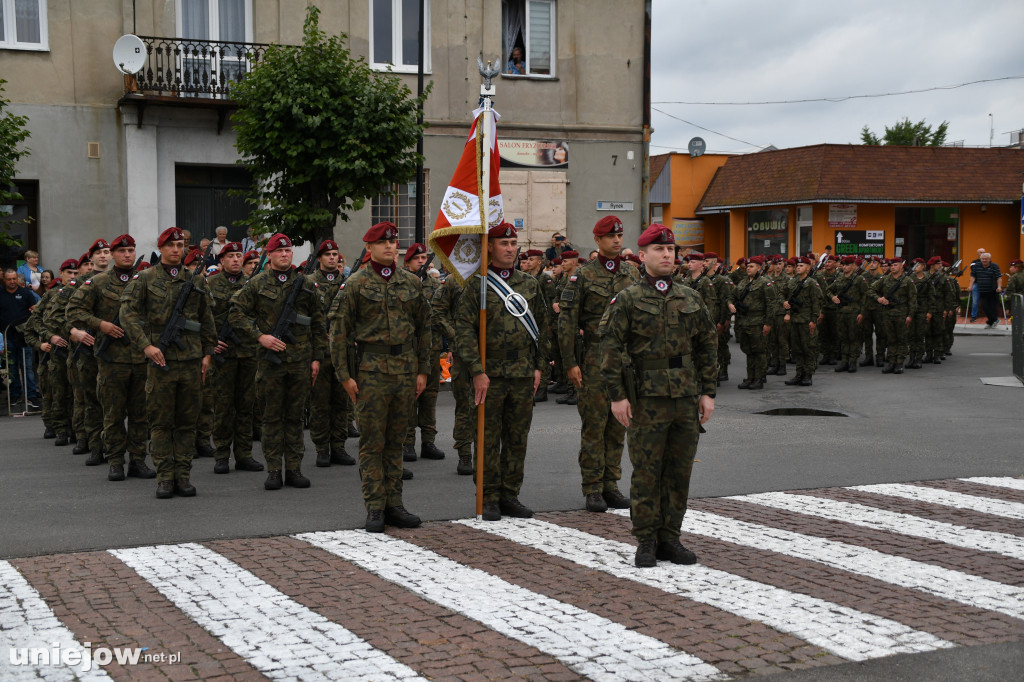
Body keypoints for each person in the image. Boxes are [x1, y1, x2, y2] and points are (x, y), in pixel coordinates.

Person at [599, 223, 717, 568]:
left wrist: (707, 392)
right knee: (647, 471)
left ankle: (671, 538)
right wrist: (617, 395)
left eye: (671, 250)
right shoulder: (628, 298)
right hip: (645, 398)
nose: (667, 255)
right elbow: (609, 347)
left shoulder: (690, 296)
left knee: (679, 471)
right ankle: (646, 540)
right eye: (660, 250)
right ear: (643, 256)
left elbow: (707, 345)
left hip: (683, 397)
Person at [329, 222, 429, 532]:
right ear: (369, 247)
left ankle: (394, 505)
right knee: (372, 443)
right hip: (371, 371)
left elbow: (424, 329)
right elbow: (338, 334)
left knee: (396, 442)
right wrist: (344, 376)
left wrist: (424, 371)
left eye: (393, 241)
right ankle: (375, 507)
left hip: (404, 370)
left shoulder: (411, 282)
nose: (390, 246)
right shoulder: (355, 284)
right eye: (382, 242)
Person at [455, 222, 549, 521]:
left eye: (513, 243)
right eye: (503, 243)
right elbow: (464, 332)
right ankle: (489, 496)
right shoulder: (477, 285)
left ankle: (510, 494)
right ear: (490, 247)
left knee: (516, 437)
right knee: (486, 437)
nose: (510, 248)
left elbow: (542, 330)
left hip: (522, 372)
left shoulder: (530, 285)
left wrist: (538, 367)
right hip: (489, 373)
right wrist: (476, 370)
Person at [120, 227, 217, 498]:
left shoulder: (195, 280)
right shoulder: (145, 279)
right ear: (161, 248)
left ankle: (183, 476)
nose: (176, 249)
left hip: (190, 361)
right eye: (170, 245)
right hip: (161, 362)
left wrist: (208, 354)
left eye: (180, 245)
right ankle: (164, 477)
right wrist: (146, 346)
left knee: (187, 422)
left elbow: (206, 320)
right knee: (161, 423)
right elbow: (127, 314)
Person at [558, 215, 640, 513]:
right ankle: (592, 488)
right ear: (598, 240)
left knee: (619, 426)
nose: (617, 241)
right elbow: (567, 322)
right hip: (593, 359)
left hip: (625, 361)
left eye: (619, 236)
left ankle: (611, 484)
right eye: (610, 237)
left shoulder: (632, 273)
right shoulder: (582, 277)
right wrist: (569, 363)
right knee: (594, 426)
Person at [230, 233, 325, 491]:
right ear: (269, 256)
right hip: (271, 363)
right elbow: (235, 313)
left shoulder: (305, 284)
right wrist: (260, 337)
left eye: (288, 251)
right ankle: (274, 470)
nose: (285, 254)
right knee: (271, 418)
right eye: (279, 251)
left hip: (300, 362)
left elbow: (318, 322)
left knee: (295, 417)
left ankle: (293, 468)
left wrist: (317, 358)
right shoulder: (257, 284)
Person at [66, 234, 156, 481]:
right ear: (113, 254)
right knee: (113, 414)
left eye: (131, 250)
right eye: (122, 251)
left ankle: (138, 460)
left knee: (140, 414)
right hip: (111, 361)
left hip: (141, 357)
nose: (127, 255)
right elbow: (73, 310)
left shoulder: (146, 280)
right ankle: (116, 461)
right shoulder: (97, 282)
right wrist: (101, 324)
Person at [207, 241, 265, 475]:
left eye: (239, 255)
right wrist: (210, 341)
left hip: (248, 351)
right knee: (223, 406)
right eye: (230, 256)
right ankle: (221, 454)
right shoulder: (210, 283)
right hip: (223, 354)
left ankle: (244, 454)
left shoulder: (252, 284)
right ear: (221, 261)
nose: (235, 260)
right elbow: (203, 316)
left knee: (246, 406)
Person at [308, 239, 355, 469]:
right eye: (327, 255)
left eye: (335, 254)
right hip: (318, 352)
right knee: (319, 403)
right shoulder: (308, 283)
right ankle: (322, 448)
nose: (332, 258)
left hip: (342, 352)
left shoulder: (348, 283)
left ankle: (338, 446)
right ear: (319, 259)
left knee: (341, 403)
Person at [402, 243, 446, 462]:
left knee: (429, 397)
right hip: (408, 350)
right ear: (407, 262)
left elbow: (442, 314)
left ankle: (428, 441)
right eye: (417, 258)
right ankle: (407, 443)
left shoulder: (436, 284)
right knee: (409, 397)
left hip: (432, 348)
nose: (421, 261)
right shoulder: (401, 284)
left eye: (424, 258)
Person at [728, 255, 776, 389]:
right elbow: (732, 295)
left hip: (758, 322)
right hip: (744, 322)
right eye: (747, 266)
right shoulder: (743, 282)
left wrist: (768, 324)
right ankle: (750, 377)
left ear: (759, 268)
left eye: (751, 266)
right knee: (748, 351)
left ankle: (759, 378)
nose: (748, 268)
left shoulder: (765, 283)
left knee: (759, 351)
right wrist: (730, 304)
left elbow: (771, 305)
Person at [1, 267, 41, 409]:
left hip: (24, 336)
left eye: (14, 279)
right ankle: (15, 395)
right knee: (11, 367)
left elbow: (35, 309)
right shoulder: (1, 294)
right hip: (7, 337)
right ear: (4, 280)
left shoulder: (25, 293)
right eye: (9, 279)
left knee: (28, 367)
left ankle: (31, 396)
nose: (12, 281)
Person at [782, 256, 824, 386]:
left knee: (809, 348)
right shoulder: (792, 282)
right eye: (798, 266)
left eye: (801, 266)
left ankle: (808, 375)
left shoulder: (812, 283)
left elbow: (817, 302)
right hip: (795, 320)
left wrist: (813, 320)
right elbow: (780, 294)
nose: (799, 268)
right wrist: (784, 303)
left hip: (807, 321)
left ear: (808, 268)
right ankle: (799, 374)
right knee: (797, 349)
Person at [871, 259, 916, 374]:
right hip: (888, 314)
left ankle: (899, 363)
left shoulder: (908, 281)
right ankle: (891, 362)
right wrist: (879, 298)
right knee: (891, 339)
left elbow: (912, 300)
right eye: (891, 265)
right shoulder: (885, 279)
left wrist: (910, 315)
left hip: (902, 314)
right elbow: (870, 289)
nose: (892, 267)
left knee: (901, 340)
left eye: (895, 265)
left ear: (901, 267)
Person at [830, 255, 867, 372]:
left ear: (853, 266)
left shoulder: (859, 279)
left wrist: (862, 313)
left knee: (853, 338)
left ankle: (852, 362)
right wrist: (833, 297)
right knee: (843, 338)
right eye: (844, 265)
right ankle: (844, 361)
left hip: (854, 311)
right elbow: (828, 290)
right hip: (841, 312)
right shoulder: (839, 278)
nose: (845, 267)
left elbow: (865, 296)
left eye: (847, 265)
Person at [969, 252, 1002, 328]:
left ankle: (990, 322)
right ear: (980, 259)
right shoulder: (977, 266)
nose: (984, 260)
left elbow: (999, 277)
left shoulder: (994, 266)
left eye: (986, 259)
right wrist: (970, 286)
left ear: (989, 259)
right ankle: (994, 320)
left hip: (993, 290)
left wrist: (999, 287)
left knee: (993, 307)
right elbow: (972, 277)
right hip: (982, 290)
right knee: (984, 306)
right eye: (982, 259)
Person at [969, 247, 985, 321]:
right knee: (975, 302)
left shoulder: (989, 262)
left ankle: (991, 317)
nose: (982, 254)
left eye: (984, 252)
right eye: (981, 252)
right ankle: (974, 316)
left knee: (989, 301)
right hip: (976, 284)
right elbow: (974, 270)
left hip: (986, 284)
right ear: (977, 254)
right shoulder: (974, 262)